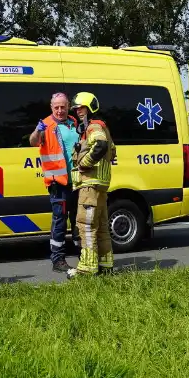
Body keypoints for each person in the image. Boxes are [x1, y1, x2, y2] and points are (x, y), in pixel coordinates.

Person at [29, 92, 80, 273]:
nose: (60, 110)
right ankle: (58, 260)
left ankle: (83, 256)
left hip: (76, 180)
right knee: (60, 220)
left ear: (68, 107)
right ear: (51, 108)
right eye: (56, 107)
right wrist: (38, 130)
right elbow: (33, 142)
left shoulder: (74, 122)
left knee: (78, 219)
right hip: (58, 182)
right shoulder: (46, 125)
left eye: (63, 107)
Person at [69, 92, 117, 278]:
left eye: (81, 108)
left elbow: (101, 146)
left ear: (90, 108)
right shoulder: (101, 127)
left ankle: (87, 268)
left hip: (90, 185)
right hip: (100, 186)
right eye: (76, 109)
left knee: (86, 225)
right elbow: (111, 151)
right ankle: (105, 265)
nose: (78, 111)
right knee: (102, 226)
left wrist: (83, 163)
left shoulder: (94, 126)